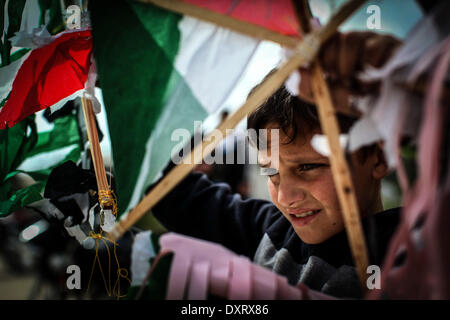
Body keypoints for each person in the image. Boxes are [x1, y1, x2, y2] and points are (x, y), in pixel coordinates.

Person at [150, 31, 404, 299]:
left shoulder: (419, 252)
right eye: (271, 172)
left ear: (380, 157)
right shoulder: (271, 233)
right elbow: (170, 191)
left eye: (307, 167)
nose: (285, 198)